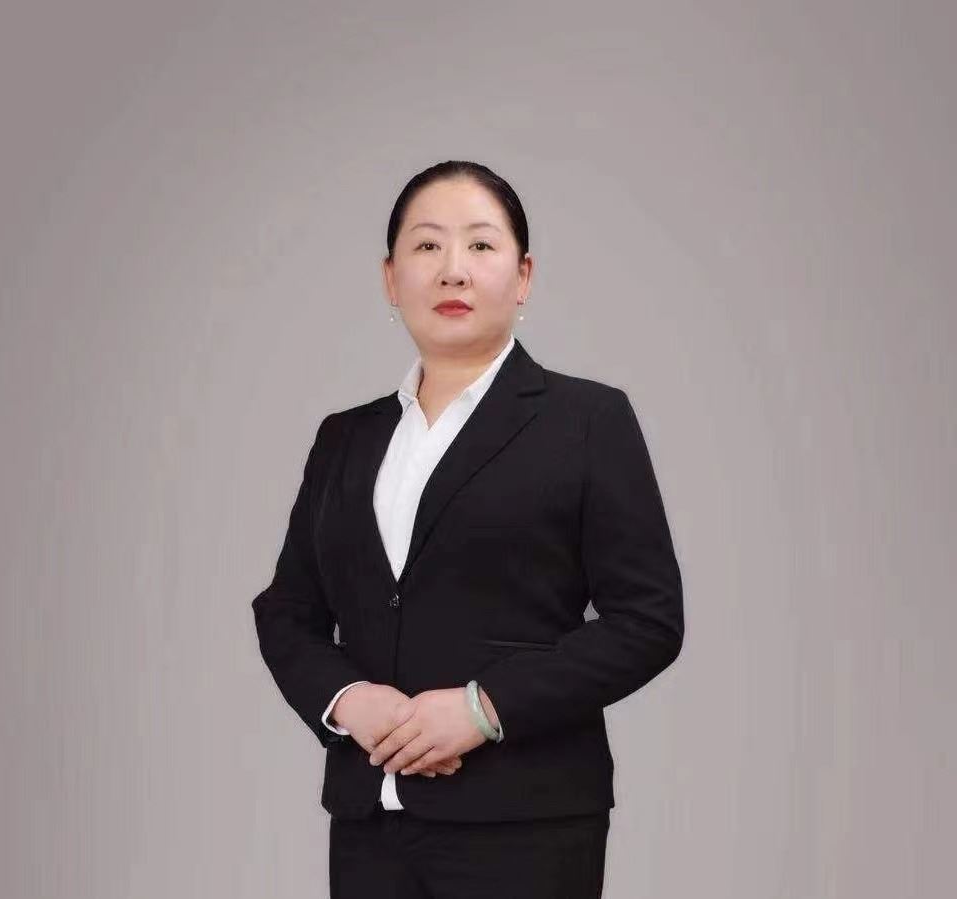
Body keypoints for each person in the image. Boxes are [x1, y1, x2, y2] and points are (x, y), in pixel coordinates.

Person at [251, 160, 684, 898]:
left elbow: (648, 620)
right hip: (369, 823)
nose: (453, 269)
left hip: (525, 823)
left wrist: (484, 709)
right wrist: (347, 699)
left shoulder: (588, 420)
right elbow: (287, 610)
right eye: (427, 246)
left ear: (523, 276)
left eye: (481, 245)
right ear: (391, 279)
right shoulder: (345, 438)